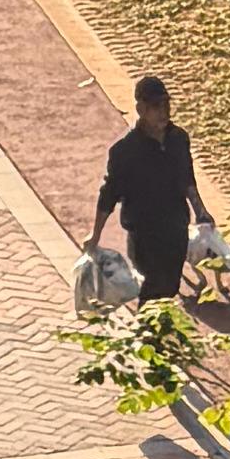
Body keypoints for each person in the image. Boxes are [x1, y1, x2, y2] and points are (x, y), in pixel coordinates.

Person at [89, 79, 202, 307]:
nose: (164, 113)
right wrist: (95, 235)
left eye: (166, 106)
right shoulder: (125, 152)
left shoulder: (178, 139)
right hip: (144, 236)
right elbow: (109, 195)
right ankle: (148, 336)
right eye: (156, 107)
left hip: (176, 229)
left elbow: (187, 179)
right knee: (152, 289)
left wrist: (201, 211)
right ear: (141, 109)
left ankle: (157, 336)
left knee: (170, 288)